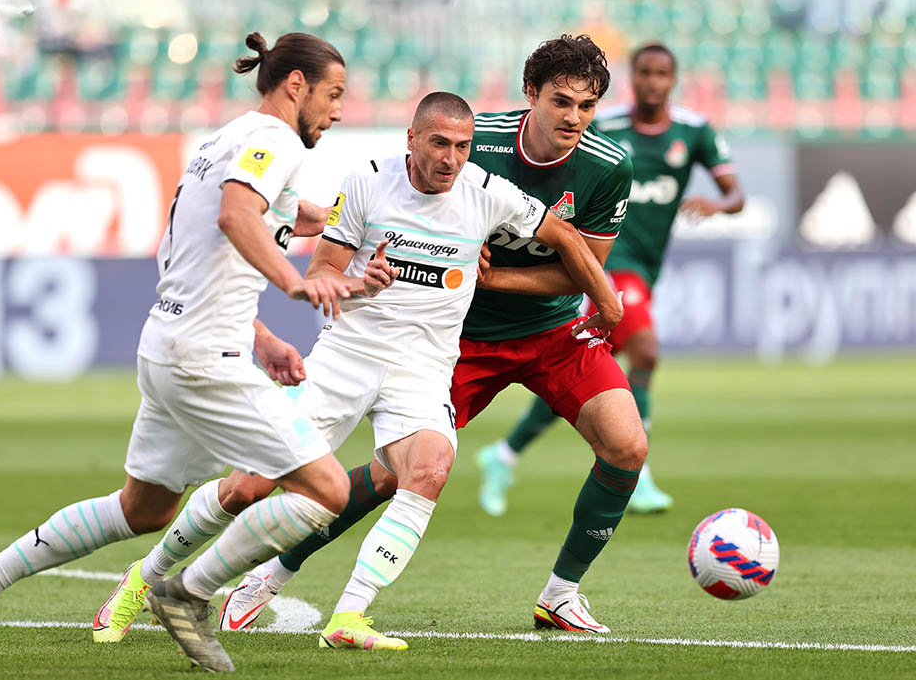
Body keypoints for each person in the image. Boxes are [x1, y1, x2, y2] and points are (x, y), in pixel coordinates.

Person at [0, 31, 385, 671]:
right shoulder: (273, 140)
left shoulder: (221, 142)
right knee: (329, 489)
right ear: (296, 85)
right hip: (204, 361)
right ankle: (187, 593)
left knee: (143, 509)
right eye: (333, 95)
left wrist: (263, 333)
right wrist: (297, 283)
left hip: (170, 344)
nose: (337, 111)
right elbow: (235, 216)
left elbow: (235, 233)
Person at [121, 89, 623, 666]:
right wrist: (362, 281)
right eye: (439, 144)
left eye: (462, 147)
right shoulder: (366, 181)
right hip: (346, 356)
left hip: (421, 369)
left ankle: (350, 616)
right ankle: (147, 575)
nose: (451, 159)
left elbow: (565, 237)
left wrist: (607, 304)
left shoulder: (487, 191)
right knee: (246, 488)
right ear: (412, 139)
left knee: (429, 466)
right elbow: (323, 269)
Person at [224, 33, 647, 639]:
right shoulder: (476, 143)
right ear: (531, 94)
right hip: (461, 336)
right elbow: (397, 202)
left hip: (552, 328)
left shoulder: (609, 166)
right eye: (561, 101)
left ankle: (561, 595)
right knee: (396, 473)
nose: (574, 118)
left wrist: (495, 275)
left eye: (587, 106)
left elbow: (582, 266)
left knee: (627, 446)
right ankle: (270, 573)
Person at [477, 41, 744, 516]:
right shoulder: (603, 129)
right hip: (609, 263)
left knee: (584, 380)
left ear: (674, 80)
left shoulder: (693, 132)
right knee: (645, 350)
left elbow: (736, 194)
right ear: (632, 77)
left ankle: (505, 453)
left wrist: (718, 205)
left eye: (662, 74)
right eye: (644, 72)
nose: (653, 82)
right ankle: (639, 474)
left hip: (647, 262)